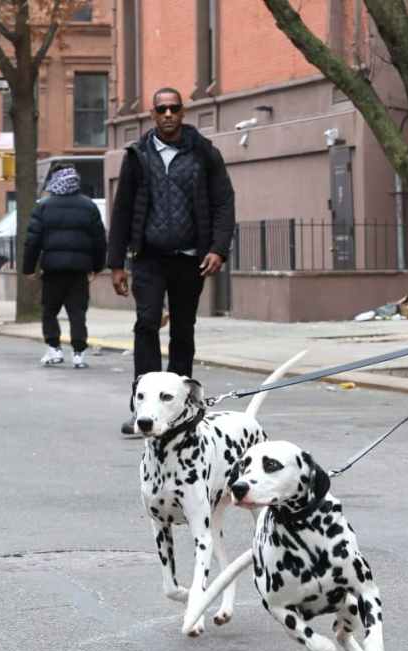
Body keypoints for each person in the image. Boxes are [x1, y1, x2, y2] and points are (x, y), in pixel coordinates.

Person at [107, 87, 235, 435]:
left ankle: (181, 412)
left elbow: (224, 202)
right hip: (148, 257)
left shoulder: (204, 153)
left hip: (190, 258)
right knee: (146, 323)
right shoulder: (137, 155)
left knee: (182, 329)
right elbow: (121, 210)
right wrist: (116, 263)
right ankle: (142, 411)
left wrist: (218, 249)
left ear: (183, 112)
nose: (167, 115)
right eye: (161, 109)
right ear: (152, 114)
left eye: (173, 109)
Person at [22, 164, 106, 369]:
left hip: (53, 270)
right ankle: (79, 354)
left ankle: (54, 349)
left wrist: (29, 268)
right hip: (79, 271)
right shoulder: (89, 206)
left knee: (49, 310)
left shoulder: (44, 206)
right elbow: (99, 240)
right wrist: (97, 267)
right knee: (77, 312)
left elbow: (33, 240)